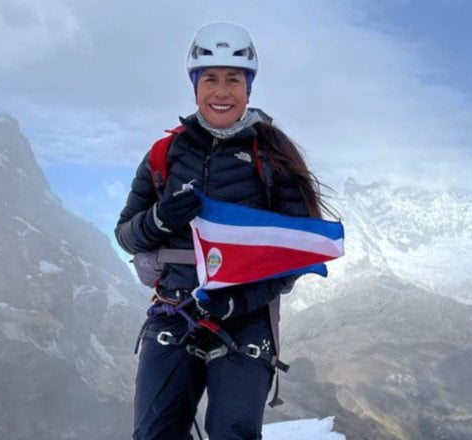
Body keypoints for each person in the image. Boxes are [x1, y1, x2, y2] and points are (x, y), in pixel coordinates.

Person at [115, 22, 329, 440]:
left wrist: (236, 303)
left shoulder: (274, 155)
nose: (221, 91)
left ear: (248, 87)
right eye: (210, 78)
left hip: (245, 318)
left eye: (233, 79)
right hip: (175, 309)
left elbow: (297, 252)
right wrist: (160, 219)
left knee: (232, 433)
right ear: (195, 85)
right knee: (154, 433)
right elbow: (126, 234)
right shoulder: (165, 153)